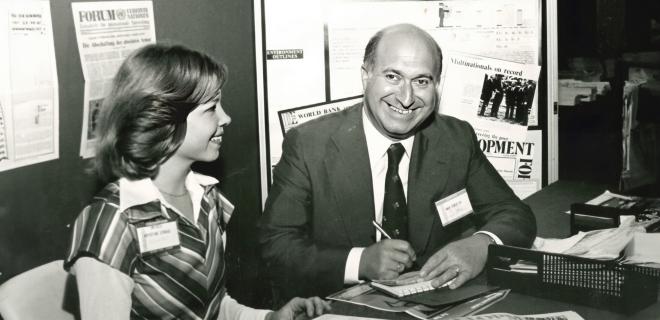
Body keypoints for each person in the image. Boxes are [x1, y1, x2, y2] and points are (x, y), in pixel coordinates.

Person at [259, 23, 536, 304]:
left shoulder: (455, 139)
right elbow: (276, 246)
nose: (406, 99)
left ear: (436, 86)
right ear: (366, 77)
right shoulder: (309, 144)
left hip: (434, 302)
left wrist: (481, 245)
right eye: (393, 76)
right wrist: (359, 262)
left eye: (422, 81)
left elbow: (515, 214)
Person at [64, 43, 330, 320]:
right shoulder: (111, 224)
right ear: (163, 118)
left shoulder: (207, 199)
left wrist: (270, 318)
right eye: (212, 108)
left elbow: (212, 308)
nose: (226, 118)